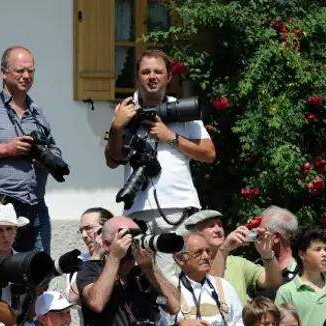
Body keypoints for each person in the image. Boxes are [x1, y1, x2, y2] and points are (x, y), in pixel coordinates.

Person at [105, 48, 215, 278]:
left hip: (177, 207)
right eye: (146, 72)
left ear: (168, 77)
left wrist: (171, 137)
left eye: (158, 71)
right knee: (138, 279)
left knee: (173, 278)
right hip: (137, 210)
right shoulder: (125, 111)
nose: (152, 76)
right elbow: (112, 161)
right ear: (138, 77)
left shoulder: (182, 109)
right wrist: (117, 127)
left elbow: (208, 153)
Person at [0, 46, 61, 253]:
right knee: (5, 273)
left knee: (38, 275)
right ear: (3, 72)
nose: (26, 76)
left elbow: (55, 150)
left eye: (31, 71)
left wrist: (47, 160)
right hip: (1, 207)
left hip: (37, 206)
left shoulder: (38, 114)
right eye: (20, 70)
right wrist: (7, 148)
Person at [182, 210, 280, 305]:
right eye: (211, 226)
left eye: (220, 225)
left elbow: (274, 281)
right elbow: (212, 287)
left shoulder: (238, 263)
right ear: (196, 234)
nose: (218, 230)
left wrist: (267, 254)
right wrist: (224, 249)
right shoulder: (190, 264)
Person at [67, 208, 113, 306]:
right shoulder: (78, 261)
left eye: (88, 228)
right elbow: (72, 297)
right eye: (81, 230)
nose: (84, 235)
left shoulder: (122, 255)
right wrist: (96, 257)